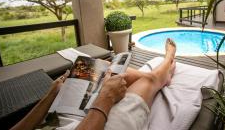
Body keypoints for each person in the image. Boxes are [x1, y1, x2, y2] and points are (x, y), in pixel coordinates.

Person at [11, 38, 176, 130]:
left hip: (54, 120)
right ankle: (167, 63)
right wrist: (106, 96)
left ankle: (162, 74)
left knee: (97, 65)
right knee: (147, 81)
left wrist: (50, 96)